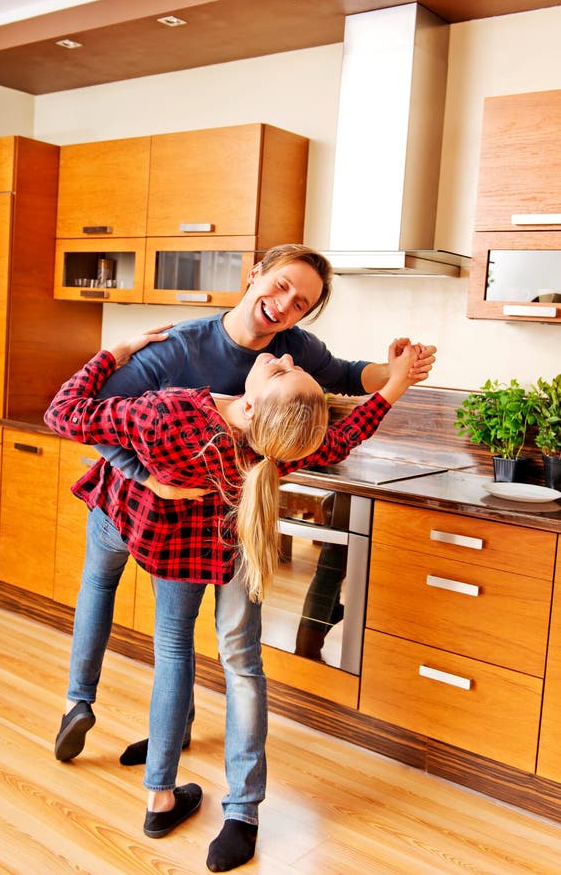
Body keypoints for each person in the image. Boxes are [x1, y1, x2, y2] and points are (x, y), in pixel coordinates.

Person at [45, 329, 422, 871]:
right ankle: (219, 805)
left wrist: (112, 354)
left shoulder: (169, 415)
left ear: (249, 405)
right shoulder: (279, 444)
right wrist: (394, 387)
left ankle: (152, 784)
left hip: (172, 544)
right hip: (221, 546)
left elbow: (63, 413)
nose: (286, 354)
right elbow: (341, 440)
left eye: (283, 370)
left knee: (171, 648)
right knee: (224, 663)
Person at [52, 244, 437, 775]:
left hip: (203, 522)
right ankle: (96, 712)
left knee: (164, 631)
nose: (285, 304)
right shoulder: (178, 347)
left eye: (301, 303)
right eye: (281, 285)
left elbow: (348, 375)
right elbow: (92, 420)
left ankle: (150, 737)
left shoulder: (291, 351)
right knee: (157, 624)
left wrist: (393, 372)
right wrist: (148, 477)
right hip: (135, 500)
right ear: (256, 274)